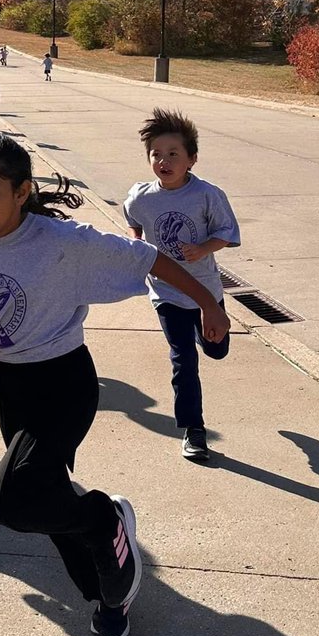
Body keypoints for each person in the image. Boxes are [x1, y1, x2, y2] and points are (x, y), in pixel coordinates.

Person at [0, 134, 229, 636]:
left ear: (22, 192)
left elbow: (148, 258)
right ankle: (109, 596)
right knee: (46, 497)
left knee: (11, 504)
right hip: (11, 388)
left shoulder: (62, 243)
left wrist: (209, 304)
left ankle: (104, 516)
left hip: (65, 382)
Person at [123, 109, 240, 461]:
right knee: (183, 360)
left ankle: (215, 335)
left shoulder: (207, 195)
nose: (164, 160)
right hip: (166, 293)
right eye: (156, 154)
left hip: (206, 290)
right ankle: (194, 430)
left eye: (173, 153)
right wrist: (137, 245)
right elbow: (133, 221)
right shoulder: (141, 197)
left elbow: (227, 234)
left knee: (216, 351)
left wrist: (203, 248)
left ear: (192, 159)